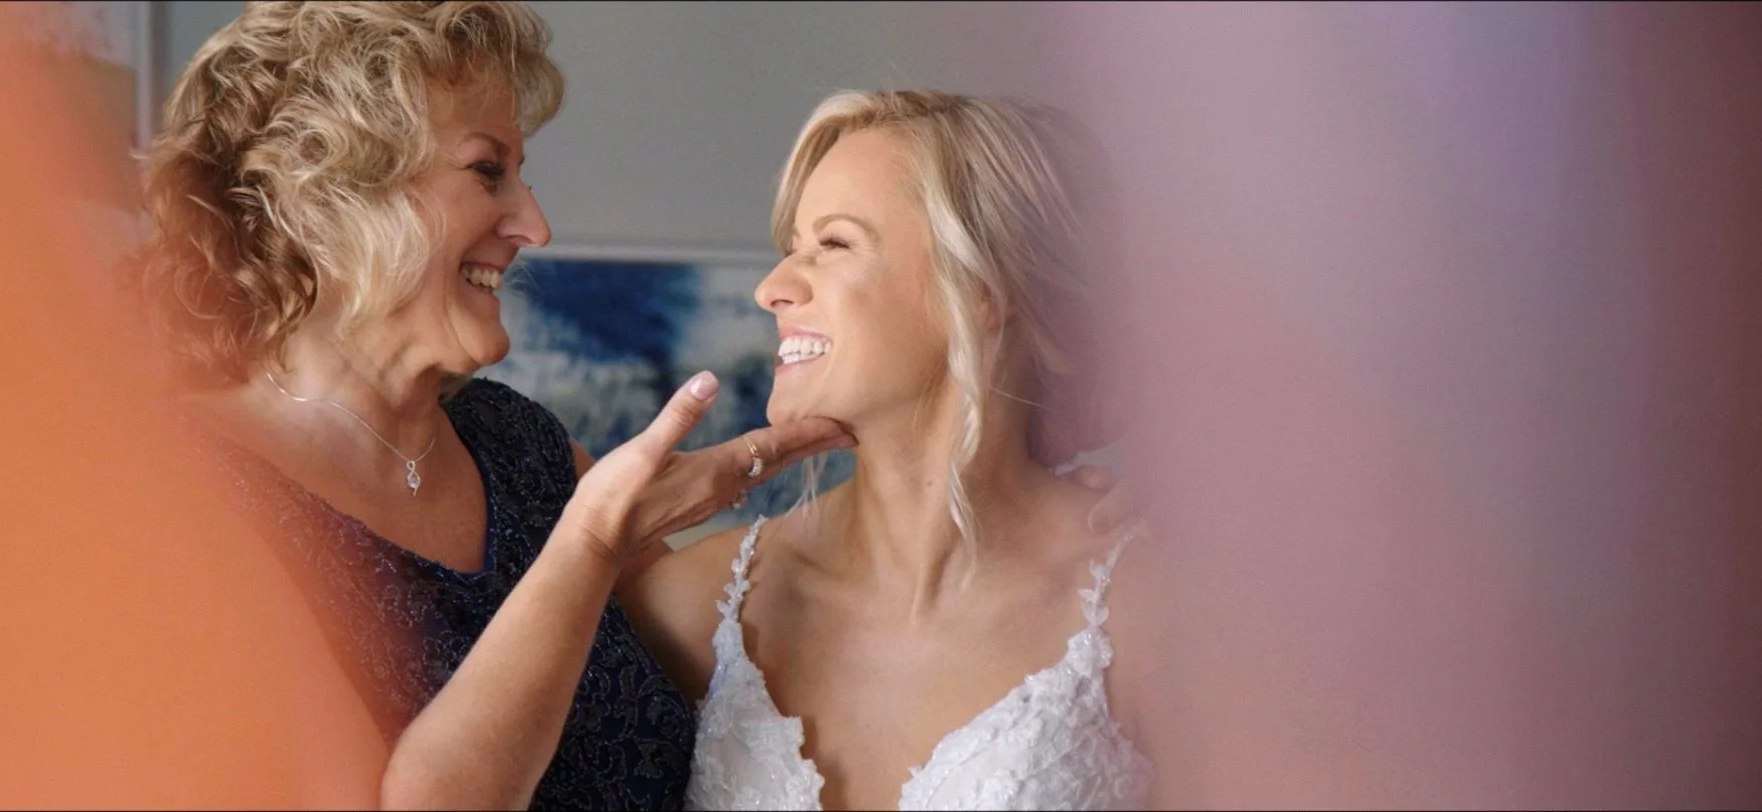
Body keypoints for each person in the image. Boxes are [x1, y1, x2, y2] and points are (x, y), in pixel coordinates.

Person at [137, 3, 1144, 809]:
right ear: (333, 192)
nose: (532, 222)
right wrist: (587, 540)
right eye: (488, 171)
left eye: (830, 243)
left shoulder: (519, 450)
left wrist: (1058, 511)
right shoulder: (176, 487)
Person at [626, 90, 1157, 810]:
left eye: (833, 245)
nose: (772, 288)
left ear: (979, 289)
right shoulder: (691, 607)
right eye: (790, 251)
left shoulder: (1160, 614)